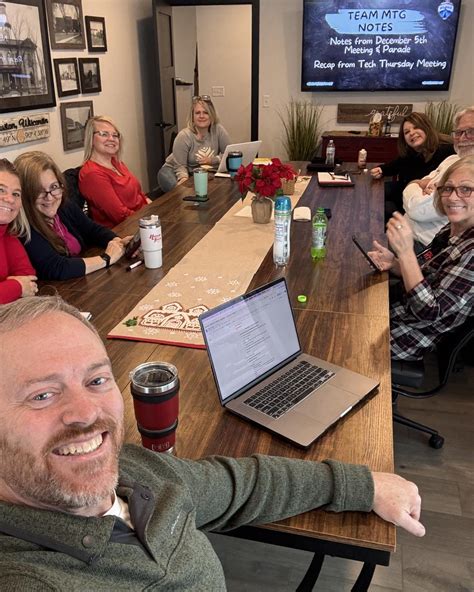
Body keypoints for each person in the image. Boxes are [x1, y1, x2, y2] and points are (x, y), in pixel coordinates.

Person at [0, 296, 425, 590]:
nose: (86, 412)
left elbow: (239, 484)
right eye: (42, 395)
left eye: (96, 380)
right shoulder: (27, 578)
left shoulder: (137, 470)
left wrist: (362, 485)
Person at [369, 156, 474, 361]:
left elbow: (429, 312)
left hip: (408, 335)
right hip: (396, 310)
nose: (453, 197)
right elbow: (426, 274)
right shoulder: (451, 229)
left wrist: (406, 253)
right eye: (447, 188)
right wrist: (395, 263)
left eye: (466, 189)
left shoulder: (470, 253)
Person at [15, 151, 131, 281]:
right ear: (24, 195)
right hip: (61, 289)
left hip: (84, 281)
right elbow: (57, 267)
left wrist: (120, 243)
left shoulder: (64, 206)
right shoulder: (23, 228)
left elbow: (92, 230)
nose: (50, 197)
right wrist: (106, 258)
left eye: (54, 187)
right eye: (38, 191)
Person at [402, 106, 474, 249]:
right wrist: (416, 183)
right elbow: (420, 181)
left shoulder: (467, 173)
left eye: (471, 131)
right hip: (406, 234)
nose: (462, 138)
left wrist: (413, 185)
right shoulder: (452, 158)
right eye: (458, 132)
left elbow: (417, 210)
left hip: (426, 247)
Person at [370, 112, 455, 217]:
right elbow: (394, 165)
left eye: (416, 128)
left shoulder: (447, 151)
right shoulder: (411, 152)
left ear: (426, 128)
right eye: (406, 132)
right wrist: (381, 170)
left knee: (380, 208)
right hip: (404, 193)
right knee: (375, 194)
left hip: (419, 205)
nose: (411, 133)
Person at [79, 116, 151, 228]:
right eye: (104, 134)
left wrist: (155, 210)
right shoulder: (92, 174)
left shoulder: (117, 163)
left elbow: (140, 194)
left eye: (115, 135)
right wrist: (150, 222)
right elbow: (121, 215)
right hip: (125, 230)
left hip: (143, 219)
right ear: (91, 139)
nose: (111, 139)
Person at [157, 95, 230, 192]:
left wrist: (212, 160)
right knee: (182, 193)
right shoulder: (184, 136)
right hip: (173, 170)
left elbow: (228, 154)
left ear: (211, 115)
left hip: (198, 173)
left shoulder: (218, 130)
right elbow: (180, 166)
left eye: (206, 112)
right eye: (197, 113)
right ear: (192, 117)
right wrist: (184, 181)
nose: (201, 116)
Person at [0, 158, 37, 303]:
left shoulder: (6, 232)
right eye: (1, 190)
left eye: (16, 194)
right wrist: (17, 286)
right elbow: (22, 285)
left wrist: (9, 288)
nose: (10, 199)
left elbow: (28, 278)